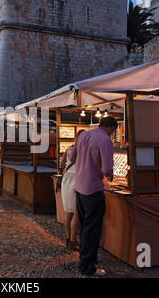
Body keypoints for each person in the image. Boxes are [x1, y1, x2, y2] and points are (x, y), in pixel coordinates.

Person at [70, 116, 118, 277]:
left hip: (79, 187)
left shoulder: (83, 135)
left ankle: (87, 258)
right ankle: (86, 267)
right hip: (93, 189)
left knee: (85, 227)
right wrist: (110, 176)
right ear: (112, 128)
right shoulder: (105, 140)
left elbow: (72, 157)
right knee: (93, 230)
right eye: (113, 131)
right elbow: (107, 169)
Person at [59, 130, 85, 251]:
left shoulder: (69, 148)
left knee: (68, 212)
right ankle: (74, 241)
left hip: (66, 180)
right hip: (77, 180)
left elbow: (61, 164)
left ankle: (68, 239)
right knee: (76, 213)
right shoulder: (83, 150)